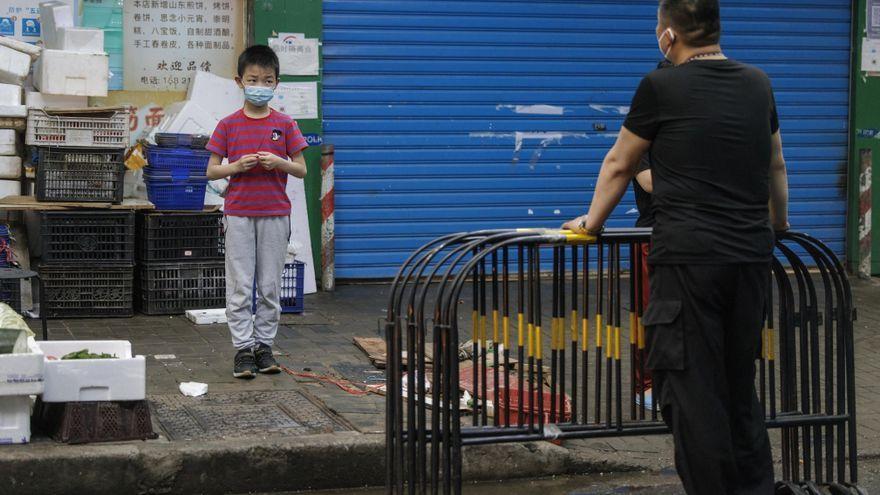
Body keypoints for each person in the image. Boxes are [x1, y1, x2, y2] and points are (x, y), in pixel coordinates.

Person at [563, 0, 789, 493]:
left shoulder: (660, 86)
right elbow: (775, 164)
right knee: (737, 389)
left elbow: (620, 163)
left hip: (689, 262)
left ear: (669, 35)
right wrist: (779, 225)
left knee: (691, 393)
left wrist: (592, 223)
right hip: (751, 258)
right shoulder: (758, 83)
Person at [206, 45, 308, 379]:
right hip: (238, 214)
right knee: (239, 285)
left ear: (276, 83)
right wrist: (236, 166)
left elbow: (302, 169)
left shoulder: (285, 124)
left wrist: (279, 162)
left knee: (269, 286)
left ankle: (265, 347)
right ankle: (242, 350)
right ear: (239, 81)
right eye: (253, 79)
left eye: (267, 80)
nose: (260, 85)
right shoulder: (227, 125)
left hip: (276, 214)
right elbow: (211, 171)